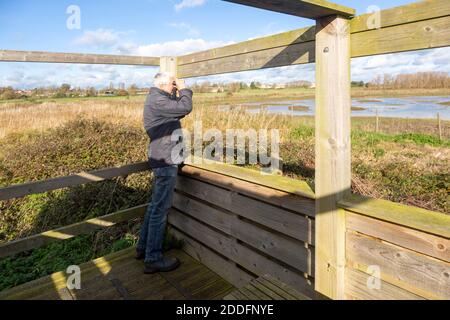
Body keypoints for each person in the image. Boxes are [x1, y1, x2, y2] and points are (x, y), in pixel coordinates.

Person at [137, 72, 193, 274]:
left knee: (154, 207)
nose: (175, 87)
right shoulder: (158, 100)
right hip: (165, 160)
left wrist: (177, 90)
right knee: (160, 210)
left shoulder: (157, 98)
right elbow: (184, 107)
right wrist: (185, 88)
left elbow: (177, 109)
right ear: (161, 84)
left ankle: (143, 248)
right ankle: (153, 258)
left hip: (163, 158)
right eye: (172, 84)